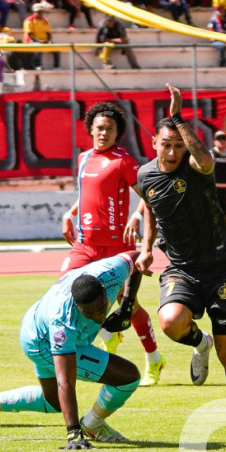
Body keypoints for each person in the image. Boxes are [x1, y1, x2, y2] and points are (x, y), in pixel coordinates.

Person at [136, 84, 226, 447]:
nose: (173, 151)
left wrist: (177, 118)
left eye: (178, 144)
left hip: (221, 267)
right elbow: (150, 210)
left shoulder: (196, 165)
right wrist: (145, 248)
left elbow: (205, 159)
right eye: (166, 144)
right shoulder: (144, 177)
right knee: (171, 321)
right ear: (154, 144)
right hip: (182, 268)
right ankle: (197, 342)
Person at [0, 251, 145, 448]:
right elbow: (66, 380)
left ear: (104, 290)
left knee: (55, 402)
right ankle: (92, 426)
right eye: (90, 313)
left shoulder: (110, 272)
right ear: (77, 307)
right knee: (128, 376)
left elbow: (137, 258)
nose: (100, 315)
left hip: (35, 323)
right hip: (42, 341)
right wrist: (74, 433)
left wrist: (126, 305)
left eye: (103, 307)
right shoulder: (62, 320)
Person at [59, 102, 164, 386]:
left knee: (127, 304)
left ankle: (154, 358)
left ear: (118, 133)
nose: (104, 133)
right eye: (99, 128)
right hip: (84, 244)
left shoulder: (123, 161)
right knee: (67, 292)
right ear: (90, 129)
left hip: (115, 247)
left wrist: (138, 222)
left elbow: (150, 196)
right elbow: (89, 193)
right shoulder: (83, 159)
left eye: (110, 129)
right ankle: (102, 339)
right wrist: (70, 213)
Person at [24, 3, 60, 70]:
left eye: (41, 11)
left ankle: (57, 66)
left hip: (44, 40)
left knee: (56, 47)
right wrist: (39, 41)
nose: (40, 13)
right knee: (38, 46)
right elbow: (30, 34)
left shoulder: (45, 20)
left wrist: (49, 41)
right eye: (38, 11)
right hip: (32, 41)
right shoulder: (29, 20)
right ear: (34, 12)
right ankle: (38, 65)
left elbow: (48, 32)